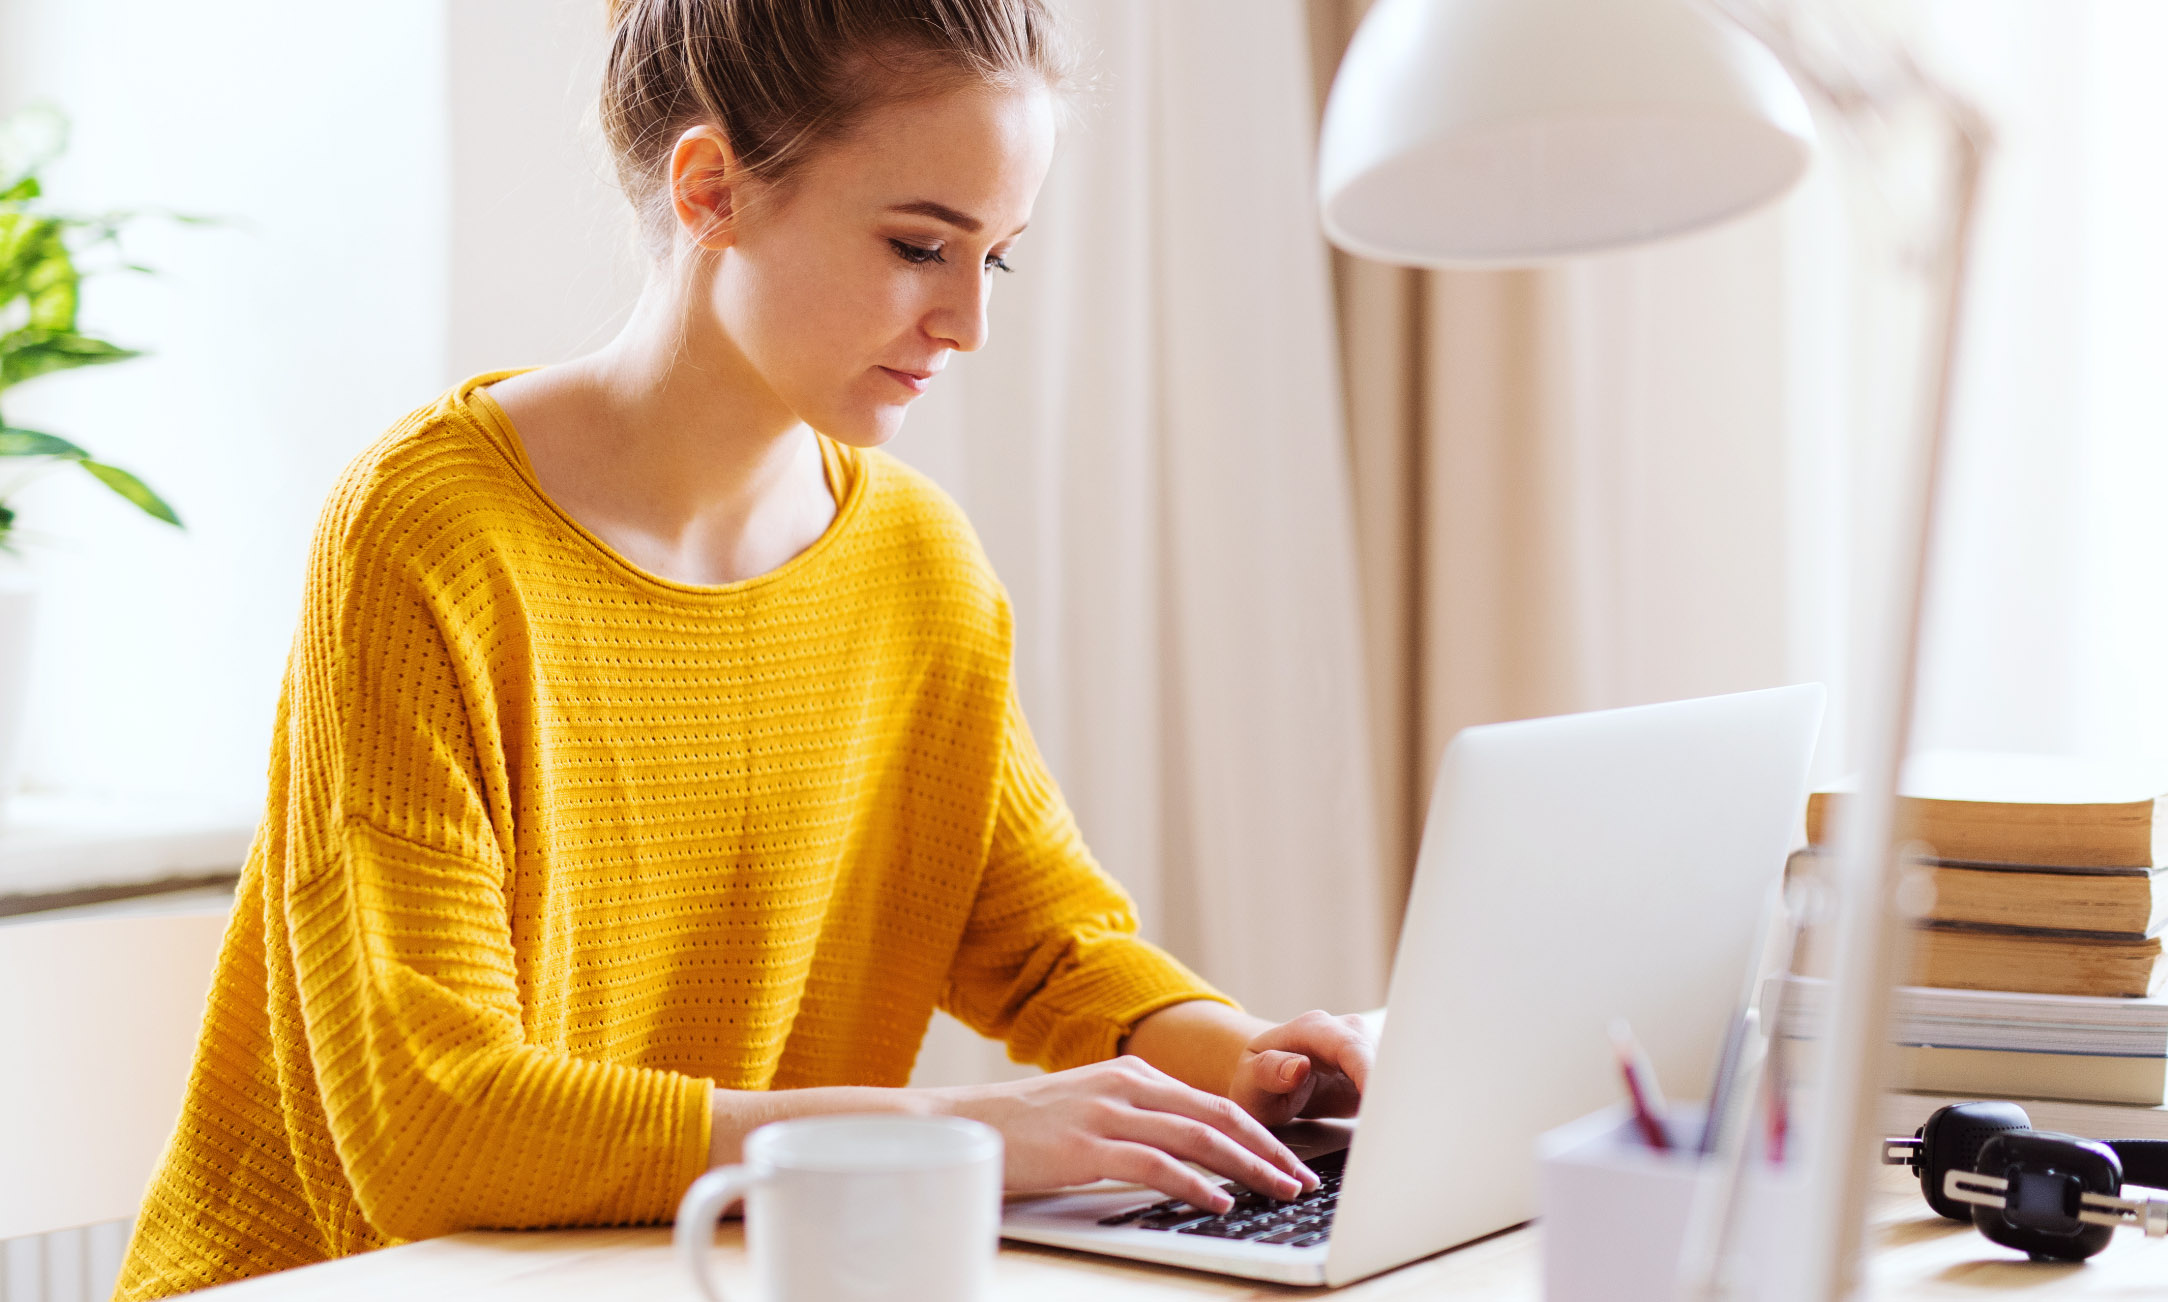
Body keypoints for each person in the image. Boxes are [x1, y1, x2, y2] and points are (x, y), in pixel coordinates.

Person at [111, 2, 1374, 1296]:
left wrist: (1248, 1058)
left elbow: (1048, 947)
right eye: (919, 245)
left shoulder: (913, 562)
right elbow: (437, 1126)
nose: (964, 322)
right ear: (711, 190)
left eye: (990, 259)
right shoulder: (428, 537)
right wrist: (956, 1139)